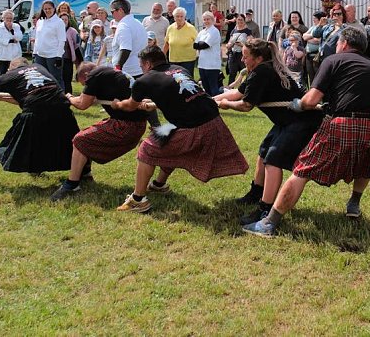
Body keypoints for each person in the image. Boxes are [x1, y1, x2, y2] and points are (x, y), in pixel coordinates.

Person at [243, 27, 370, 237]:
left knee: (302, 170)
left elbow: (311, 100)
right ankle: (354, 203)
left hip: (344, 123)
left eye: (337, 42)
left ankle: (269, 223)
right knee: (366, 162)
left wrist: (299, 104)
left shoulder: (333, 60)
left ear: (344, 44)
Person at [111, 48, 248, 212]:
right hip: (213, 121)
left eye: (141, 65)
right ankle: (159, 184)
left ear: (147, 64)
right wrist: (154, 104)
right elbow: (181, 97)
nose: (141, 68)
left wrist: (117, 104)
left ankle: (138, 200)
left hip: (195, 127)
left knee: (147, 149)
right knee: (163, 139)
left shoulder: (144, 81)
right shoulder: (179, 69)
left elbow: (130, 106)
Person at [217, 38, 324, 225]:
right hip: (287, 120)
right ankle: (256, 193)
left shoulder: (262, 72)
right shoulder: (261, 69)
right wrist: (212, 99)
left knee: (273, 160)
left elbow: (245, 105)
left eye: (246, 56)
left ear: (258, 58)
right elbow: (238, 93)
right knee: (264, 151)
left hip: (302, 121)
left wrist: (226, 104)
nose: (242, 60)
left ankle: (265, 209)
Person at [0, 58, 79, 191]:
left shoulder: (9, 75)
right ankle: (85, 173)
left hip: (35, 113)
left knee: (6, 147)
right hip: (63, 110)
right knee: (74, 144)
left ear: (11, 68)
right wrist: (1, 98)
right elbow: (27, 96)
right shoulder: (40, 68)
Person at [50, 62, 150, 201]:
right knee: (89, 134)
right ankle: (85, 174)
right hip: (136, 125)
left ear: (86, 75)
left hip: (126, 127)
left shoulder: (94, 75)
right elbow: (90, 99)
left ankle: (72, 185)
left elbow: (82, 104)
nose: (85, 87)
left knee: (80, 139)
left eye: (85, 84)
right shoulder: (108, 71)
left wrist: (69, 98)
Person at [110, 0, 148, 78]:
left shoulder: (123, 25)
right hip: (140, 68)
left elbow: (126, 49)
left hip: (128, 72)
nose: (112, 14)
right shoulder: (137, 22)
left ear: (120, 10)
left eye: (112, 11)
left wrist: (118, 68)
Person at [33, 0, 66, 84]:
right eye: (45, 9)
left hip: (53, 55)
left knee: (56, 79)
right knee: (41, 79)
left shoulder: (59, 22)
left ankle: (60, 93)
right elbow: (37, 38)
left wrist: (59, 57)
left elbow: (62, 40)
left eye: (49, 8)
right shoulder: (40, 21)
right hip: (40, 55)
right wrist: (34, 53)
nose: (47, 10)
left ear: (54, 9)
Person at [194, 11, 223, 96]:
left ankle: (216, 103)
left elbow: (205, 45)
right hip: (202, 64)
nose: (206, 21)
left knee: (213, 88)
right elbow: (195, 45)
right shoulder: (202, 32)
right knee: (206, 88)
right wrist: (200, 44)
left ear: (213, 20)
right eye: (204, 19)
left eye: (208, 19)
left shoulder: (214, 31)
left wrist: (200, 44)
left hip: (212, 65)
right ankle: (209, 103)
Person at [163, 6, 197, 74]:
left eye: (181, 16)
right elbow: (167, 43)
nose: (179, 18)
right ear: (174, 17)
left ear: (185, 17)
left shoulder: (191, 28)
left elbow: (197, 43)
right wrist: (163, 56)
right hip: (173, 60)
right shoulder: (170, 28)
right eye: (177, 16)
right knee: (174, 79)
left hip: (188, 61)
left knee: (186, 79)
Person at [226, 13, 253, 84]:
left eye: (241, 20)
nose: (239, 21)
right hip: (233, 55)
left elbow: (251, 45)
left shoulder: (248, 31)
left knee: (245, 73)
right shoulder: (233, 31)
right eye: (238, 19)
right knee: (232, 74)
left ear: (244, 21)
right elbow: (229, 42)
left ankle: (244, 88)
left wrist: (242, 45)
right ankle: (230, 89)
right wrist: (229, 45)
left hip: (243, 55)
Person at [302, 11, 328, 87]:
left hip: (317, 56)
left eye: (315, 18)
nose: (313, 20)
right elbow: (304, 36)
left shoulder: (325, 28)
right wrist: (313, 36)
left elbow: (319, 40)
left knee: (318, 76)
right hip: (308, 55)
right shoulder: (313, 27)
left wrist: (309, 38)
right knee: (310, 76)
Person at [0, 9, 22, 75]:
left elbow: (20, 37)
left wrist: (12, 30)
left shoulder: (16, 26)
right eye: (7, 18)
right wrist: (10, 40)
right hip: (3, 54)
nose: (9, 20)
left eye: (11, 18)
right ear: (3, 18)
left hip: (15, 53)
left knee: (15, 73)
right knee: (3, 72)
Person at [59, 12, 81, 94]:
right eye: (62, 19)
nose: (64, 21)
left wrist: (79, 60)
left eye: (66, 20)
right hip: (57, 58)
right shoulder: (55, 30)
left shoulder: (73, 31)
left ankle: (69, 96)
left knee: (67, 79)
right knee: (59, 78)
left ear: (68, 21)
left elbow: (77, 45)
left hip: (68, 59)